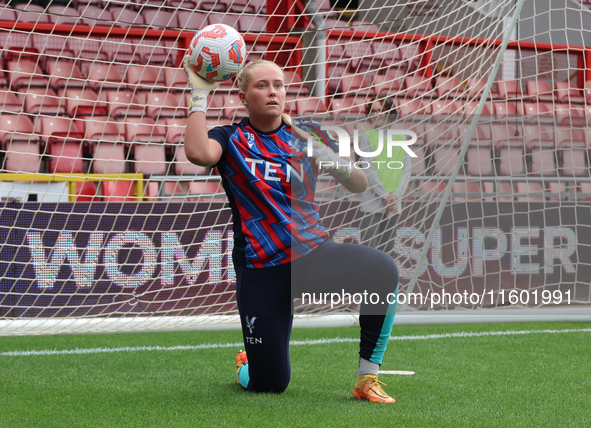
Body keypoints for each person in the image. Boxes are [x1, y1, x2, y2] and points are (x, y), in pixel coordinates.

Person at [183, 57, 400, 403]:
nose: (273, 92)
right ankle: (248, 363)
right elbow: (197, 153)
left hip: (313, 256)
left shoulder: (308, 133)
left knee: (384, 269)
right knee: (270, 384)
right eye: (262, 86)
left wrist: (321, 151)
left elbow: (359, 183)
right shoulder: (230, 138)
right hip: (262, 269)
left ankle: (366, 378)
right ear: (243, 96)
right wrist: (198, 93)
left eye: (279, 85)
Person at [358, 97, 411, 255]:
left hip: (393, 204)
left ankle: (385, 281)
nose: (376, 114)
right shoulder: (367, 136)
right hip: (372, 203)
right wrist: (386, 196)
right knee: (368, 249)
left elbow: (406, 170)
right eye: (373, 110)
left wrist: (395, 196)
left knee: (387, 251)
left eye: (379, 110)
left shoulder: (401, 138)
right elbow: (368, 170)